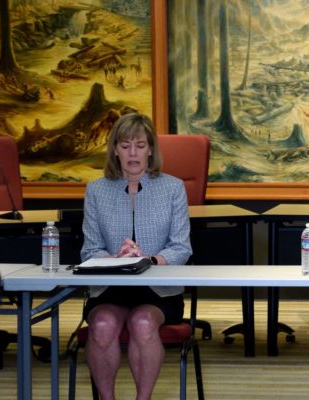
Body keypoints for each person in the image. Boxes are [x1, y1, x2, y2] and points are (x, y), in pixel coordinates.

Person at [80, 112, 192, 400]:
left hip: (159, 290)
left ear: (151, 149)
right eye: (126, 145)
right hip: (109, 287)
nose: (133, 153)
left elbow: (181, 247)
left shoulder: (172, 188)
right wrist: (116, 259)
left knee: (143, 323)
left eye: (140, 145)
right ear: (115, 149)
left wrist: (149, 260)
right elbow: (89, 249)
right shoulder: (96, 190)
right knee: (102, 325)